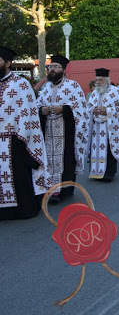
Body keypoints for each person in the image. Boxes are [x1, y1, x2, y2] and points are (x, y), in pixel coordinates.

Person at [0, 46, 51, 220]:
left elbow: (28, 113)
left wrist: (20, 136)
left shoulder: (20, 84)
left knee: (17, 176)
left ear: (7, 63)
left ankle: (21, 209)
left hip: (15, 140)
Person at [37, 55, 89, 203]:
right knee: (48, 159)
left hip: (66, 130)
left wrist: (64, 109)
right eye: (50, 67)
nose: (52, 69)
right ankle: (50, 188)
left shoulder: (73, 86)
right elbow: (36, 106)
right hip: (48, 130)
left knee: (66, 159)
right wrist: (42, 111)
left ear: (64, 70)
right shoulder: (46, 88)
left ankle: (63, 190)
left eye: (55, 67)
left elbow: (81, 110)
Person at [86, 68, 119, 182]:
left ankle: (108, 173)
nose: (97, 82)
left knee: (108, 150)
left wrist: (107, 111)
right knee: (95, 149)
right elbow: (88, 107)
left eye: (100, 80)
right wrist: (92, 110)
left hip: (109, 128)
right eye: (96, 80)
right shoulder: (94, 93)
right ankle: (95, 172)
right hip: (96, 129)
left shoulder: (116, 92)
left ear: (107, 80)